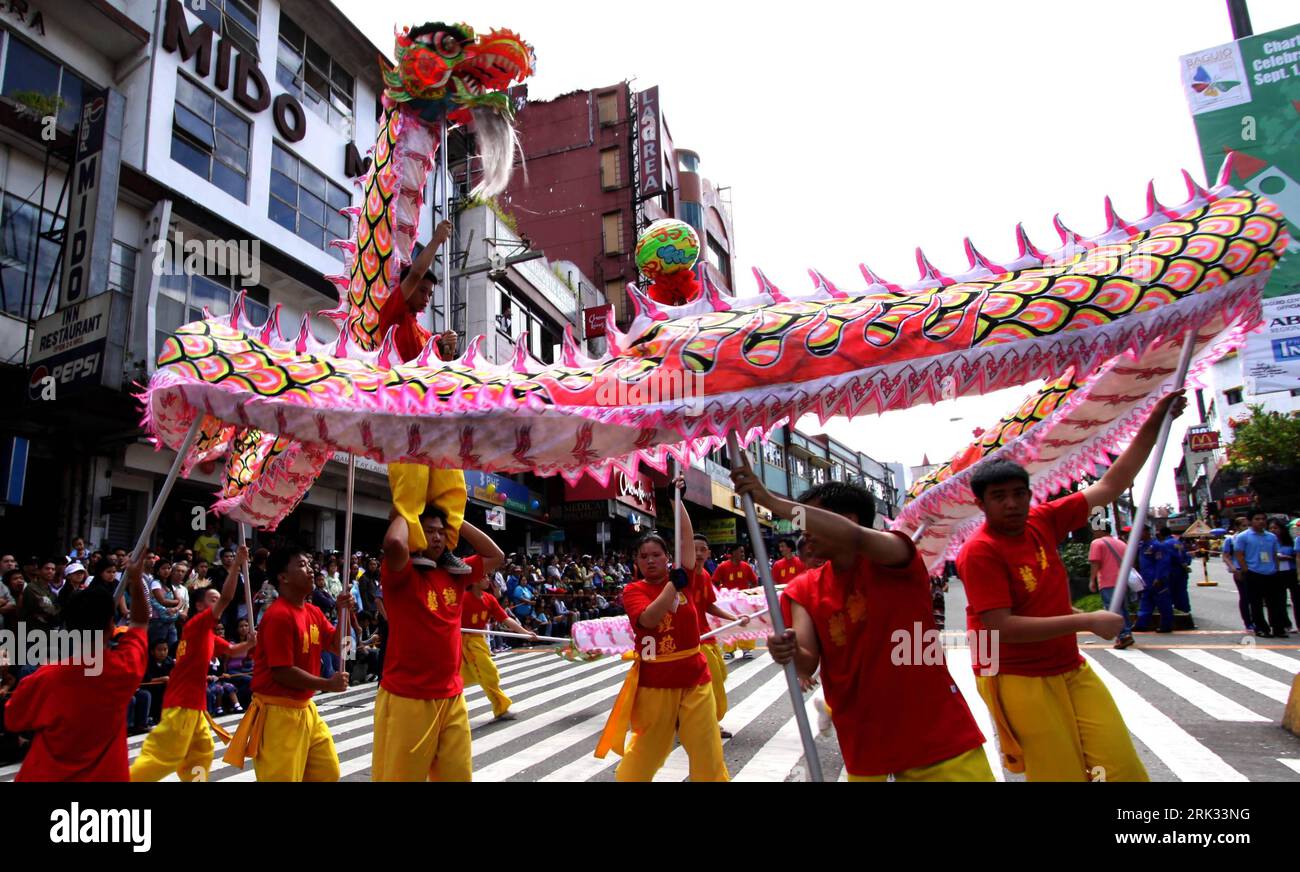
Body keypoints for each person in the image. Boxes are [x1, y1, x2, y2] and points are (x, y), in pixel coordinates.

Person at [955, 392, 1187, 782]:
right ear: (981, 505)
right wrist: (1087, 620)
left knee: (1121, 768)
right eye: (998, 497)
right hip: (1016, 676)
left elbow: (1111, 485)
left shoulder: (1042, 520)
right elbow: (1001, 627)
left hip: (1068, 665)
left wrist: (1155, 421)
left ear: (1030, 495)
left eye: (1018, 494)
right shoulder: (979, 551)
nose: (1011, 504)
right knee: (1059, 775)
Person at [732, 459, 991, 782]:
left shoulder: (895, 555)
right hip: (864, 742)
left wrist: (770, 502)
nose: (805, 534)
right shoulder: (803, 590)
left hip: (936, 735)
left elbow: (854, 538)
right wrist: (787, 650)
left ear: (848, 520)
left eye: (813, 520)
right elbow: (805, 663)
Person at [595, 487, 728, 782]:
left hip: (695, 676)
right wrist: (672, 586)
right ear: (637, 562)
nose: (651, 560)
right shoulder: (634, 591)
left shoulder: (687, 576)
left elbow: (685, 539)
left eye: (657, 554)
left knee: (707, 747)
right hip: (656, 681)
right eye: (644, 556)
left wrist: (675, 498)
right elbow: (650, 620)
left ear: (669, 557)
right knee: (650, 749)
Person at [374, 505, 504, 781]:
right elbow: (395, 542)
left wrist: (456, 519)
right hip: (408, 698)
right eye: (429, 531)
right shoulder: (400, 573)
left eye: (441, 533)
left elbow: (496, 555)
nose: (436, 538)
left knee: (458, 775)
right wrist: (406, 508)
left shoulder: (455, 574)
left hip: (452, 696)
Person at [5, 551, 152, 781]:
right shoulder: (123, 669)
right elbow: (141, 622)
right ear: (111, 626)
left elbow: (13, 719)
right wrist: (136, 579)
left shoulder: (44, 678)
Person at [381, 219, 472, 578]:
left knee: (451, 482)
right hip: (404, 413)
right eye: (423, 291)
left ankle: (445, 546)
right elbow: (416, 271)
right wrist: (435, 241)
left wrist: (447, 352)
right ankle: (416, 544)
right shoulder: (393, 314)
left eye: (431, 295)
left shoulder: (425, 333)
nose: (427, 298)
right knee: (412, 486)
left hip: (435, 417)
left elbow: (443, 373)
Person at [222, 547, 353, 781]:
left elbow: (343, 648)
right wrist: (327, 683)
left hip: (306, 709)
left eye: (310, 564)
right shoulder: (278, 615)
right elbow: (282, 672)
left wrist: (345, 614)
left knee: (327, 773)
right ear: (283, 577)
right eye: (302, 565)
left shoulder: (313, 612)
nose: (311, 570)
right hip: (278, 714)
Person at [131, 546, 256, 782]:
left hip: (195, 706)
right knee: (163, 757)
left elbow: (231, 649)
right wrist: (238, 564)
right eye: (213, 599)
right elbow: (228, 598)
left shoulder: (206, 633)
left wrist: (249, 643)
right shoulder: (198, 624)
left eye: (218, 599)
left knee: (201, 752)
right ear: (199, 605)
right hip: (183, 704)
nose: (219, 602)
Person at [689, 531, 748, 739]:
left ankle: (695, 720)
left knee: (720, 675)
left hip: (706, 635)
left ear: (708, 553)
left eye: (702, 550)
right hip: (690, 640)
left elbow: (709, 606)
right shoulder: (680, 575)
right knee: (710, 680)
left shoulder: (705, 575)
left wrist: (734, 618)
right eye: (693, 549)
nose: (698, 553)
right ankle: (709, 723)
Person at [461, 571, 537, 720]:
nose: (487, 579)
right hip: (462, 642)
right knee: (488, 672)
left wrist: (524, 632)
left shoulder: (489, 599)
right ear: (474, 581)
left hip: (478, 641)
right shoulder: (462, 598)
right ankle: (501, 707)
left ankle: (500, 708)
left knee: (484, 674)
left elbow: (505, 619)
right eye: (483, 576)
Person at [1231, 510, 1286, 638]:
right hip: (1253, 573)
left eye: (1263, 519)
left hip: (1271, 573)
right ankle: (1261, 628)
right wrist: (1245, 569)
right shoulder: (1243, 536)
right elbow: (1239, 554)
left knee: (1275, 603)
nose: (1261, 521)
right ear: (1250, 521)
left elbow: (1274, 555)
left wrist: (1276, 569)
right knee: (1256, 603)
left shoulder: (1271, 537)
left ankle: (1278, 628)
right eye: (1257, 519)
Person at [1089, 527, 1136, 649]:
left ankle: (1124, 635)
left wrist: (1092, 580)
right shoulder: (1121, 543)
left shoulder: (1097, 543)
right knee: (1123, 609)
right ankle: (1127, 633)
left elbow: (1095, 563)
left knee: (1113, 610)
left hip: (1107, 581)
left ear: (1100, 530)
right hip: (1122, 581)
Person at [714, 544, 759, 659]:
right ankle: (729, 650)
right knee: (730, 625)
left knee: (746, 624)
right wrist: (720, 594)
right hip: (728, 603)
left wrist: (751, 594)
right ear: (733, 553)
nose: (743, 554)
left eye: (743, 552)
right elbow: (714, 582)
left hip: (743, 602)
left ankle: (746, 649)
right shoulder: (722, 567)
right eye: (741, 552)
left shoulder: (746, 566)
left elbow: (754, 581)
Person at [1134, 527, 1176, 634]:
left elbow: (1162, 562)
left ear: (1147, 532)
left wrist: (1159, 577)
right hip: (1146, 579)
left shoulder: (1157, 546)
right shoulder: (1142, 546)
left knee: (1163, 602)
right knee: (1145, 601)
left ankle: (1166, 625)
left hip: (1157, 579)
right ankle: (1141, 624)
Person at [1268, 519, 1298, 632]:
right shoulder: (1269, 541)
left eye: (1276, 528)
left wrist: (1289, 557)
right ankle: (1285, 624)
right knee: (1280, 600)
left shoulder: (1291, 542)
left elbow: (1297, 556)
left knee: (1297, 599)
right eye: (1271, 528)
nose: (1273, 530)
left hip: (1291, 572)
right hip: (1277, 573)